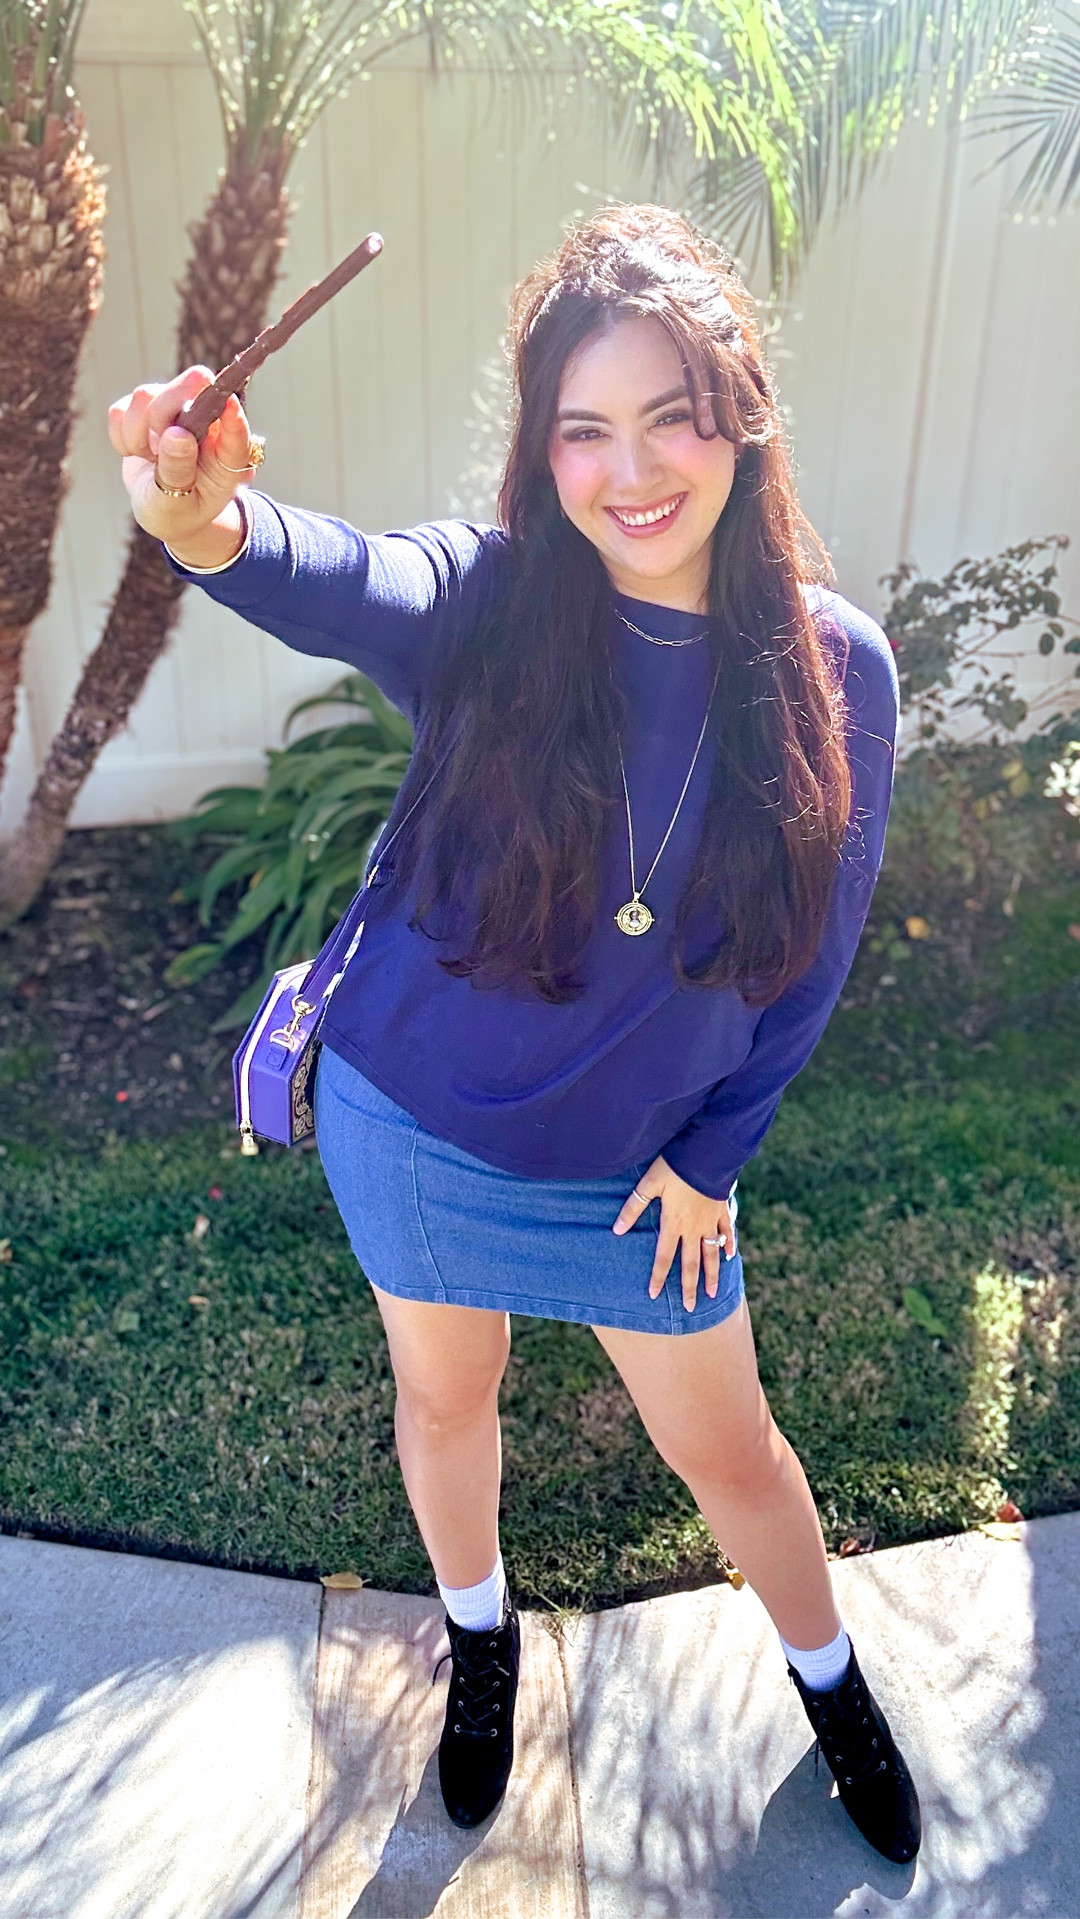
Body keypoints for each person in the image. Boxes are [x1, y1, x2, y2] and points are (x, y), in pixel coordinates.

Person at [109, 204, 918, 1862]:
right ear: (543, 450)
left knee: (739, 1455)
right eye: (584, 430)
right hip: (412, 1118)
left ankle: (828, 1682)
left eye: (673, 416)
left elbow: (814, 957)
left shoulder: (838, 672)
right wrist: (208, 521)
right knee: (444, 1402)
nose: (633, 470)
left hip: (641, 1181)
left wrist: (714, 1155)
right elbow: (345, 577)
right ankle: (479, 1643)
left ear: (741, 415)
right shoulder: (492, 605)